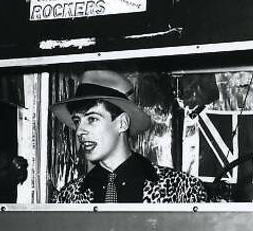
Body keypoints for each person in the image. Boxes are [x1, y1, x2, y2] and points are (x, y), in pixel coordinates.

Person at [51, 70, 209, 203]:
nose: (79, 131)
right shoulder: (68, 197)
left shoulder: (181, 190)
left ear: (122, 123)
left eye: (92, 119)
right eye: (77, 121)